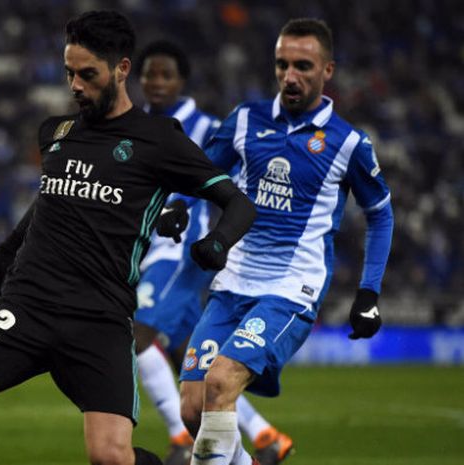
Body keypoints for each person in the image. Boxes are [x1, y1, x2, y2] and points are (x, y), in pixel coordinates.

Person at [0, 10, 256, 465]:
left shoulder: (160, 140)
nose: (76, 85)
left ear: (121, 69)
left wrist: (217, 243)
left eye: (88, 74)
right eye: (69, 73)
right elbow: (50, 201)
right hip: (28, 306)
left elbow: (238, 203)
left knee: (110, 457)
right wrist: (4, 254)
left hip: (99, 318)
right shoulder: (56, 133)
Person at [157, 18, 394, 465]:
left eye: (303, 65)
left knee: (221, 383)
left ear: (328, 71)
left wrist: (369, 292)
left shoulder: (348, 143)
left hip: (289, 290)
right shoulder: (246, 120)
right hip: (231, 285)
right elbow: (202, 172)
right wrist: (178, 204)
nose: (290, 75)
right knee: (193, 409)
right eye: (282, 64)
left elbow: (380, 214)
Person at [134, 40, 292, 465]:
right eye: (149, 74)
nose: (156, 82)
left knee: (137, 335)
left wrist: (224, 237)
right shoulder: (136, 127)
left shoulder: (204, 127)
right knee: (195, 365)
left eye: (165, 74)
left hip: (183, 252)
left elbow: (234, 184)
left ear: (181, 81)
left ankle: (180, 438)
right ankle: (265, 436)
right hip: (148, 251)